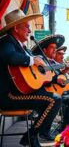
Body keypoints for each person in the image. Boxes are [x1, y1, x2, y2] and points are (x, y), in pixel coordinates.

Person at [0, 10, 62, 147]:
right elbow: (10, 57)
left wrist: (53, 79)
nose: (29, 30)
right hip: (9, 96)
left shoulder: (23, 48)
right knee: (53, 100)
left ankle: (33, 136)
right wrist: (32, 60)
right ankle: (32, 136)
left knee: (54, 99)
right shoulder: (6, 42)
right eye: (26, 26)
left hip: (22, 92)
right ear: (16, 28)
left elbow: (34, 73)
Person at [31, 35, 69, 140]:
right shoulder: (39, 60)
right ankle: (43, 132)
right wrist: (57, 78)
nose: (55, 50)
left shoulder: (53, 63)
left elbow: (56, 79)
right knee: (55, 100)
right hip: (42, 92)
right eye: (52, 48)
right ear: (44, 50)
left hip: (54, 92)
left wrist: (63, 73)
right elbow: (40, 78)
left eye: (55, 48)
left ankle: (66, 129)